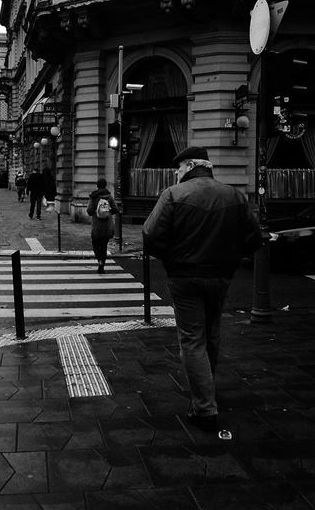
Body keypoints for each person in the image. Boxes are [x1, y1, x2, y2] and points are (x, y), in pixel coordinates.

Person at [142, 146, 263, 432]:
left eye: (178, 168)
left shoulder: (174, 194)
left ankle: (205, 407)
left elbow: (150, 235)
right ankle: (207, 388)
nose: (176, 173)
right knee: (212, 332)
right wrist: (230, 258)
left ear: (190, 166)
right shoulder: (234, 195)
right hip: (221, 276)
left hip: (184, 276)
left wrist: (170, 258)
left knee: (192, 338)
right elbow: (254, 238)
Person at [86, 178, 119, 273]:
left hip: (97, 225)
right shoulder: (109, 196)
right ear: (105, 185)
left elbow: (89, 211)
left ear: (97, 185)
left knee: (95, 243)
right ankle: (102, 265)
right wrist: (108, 212)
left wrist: (96, 212)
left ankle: (99, 260)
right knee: (104, 246)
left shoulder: (93, 196)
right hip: (107, 225)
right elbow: (115, 209)